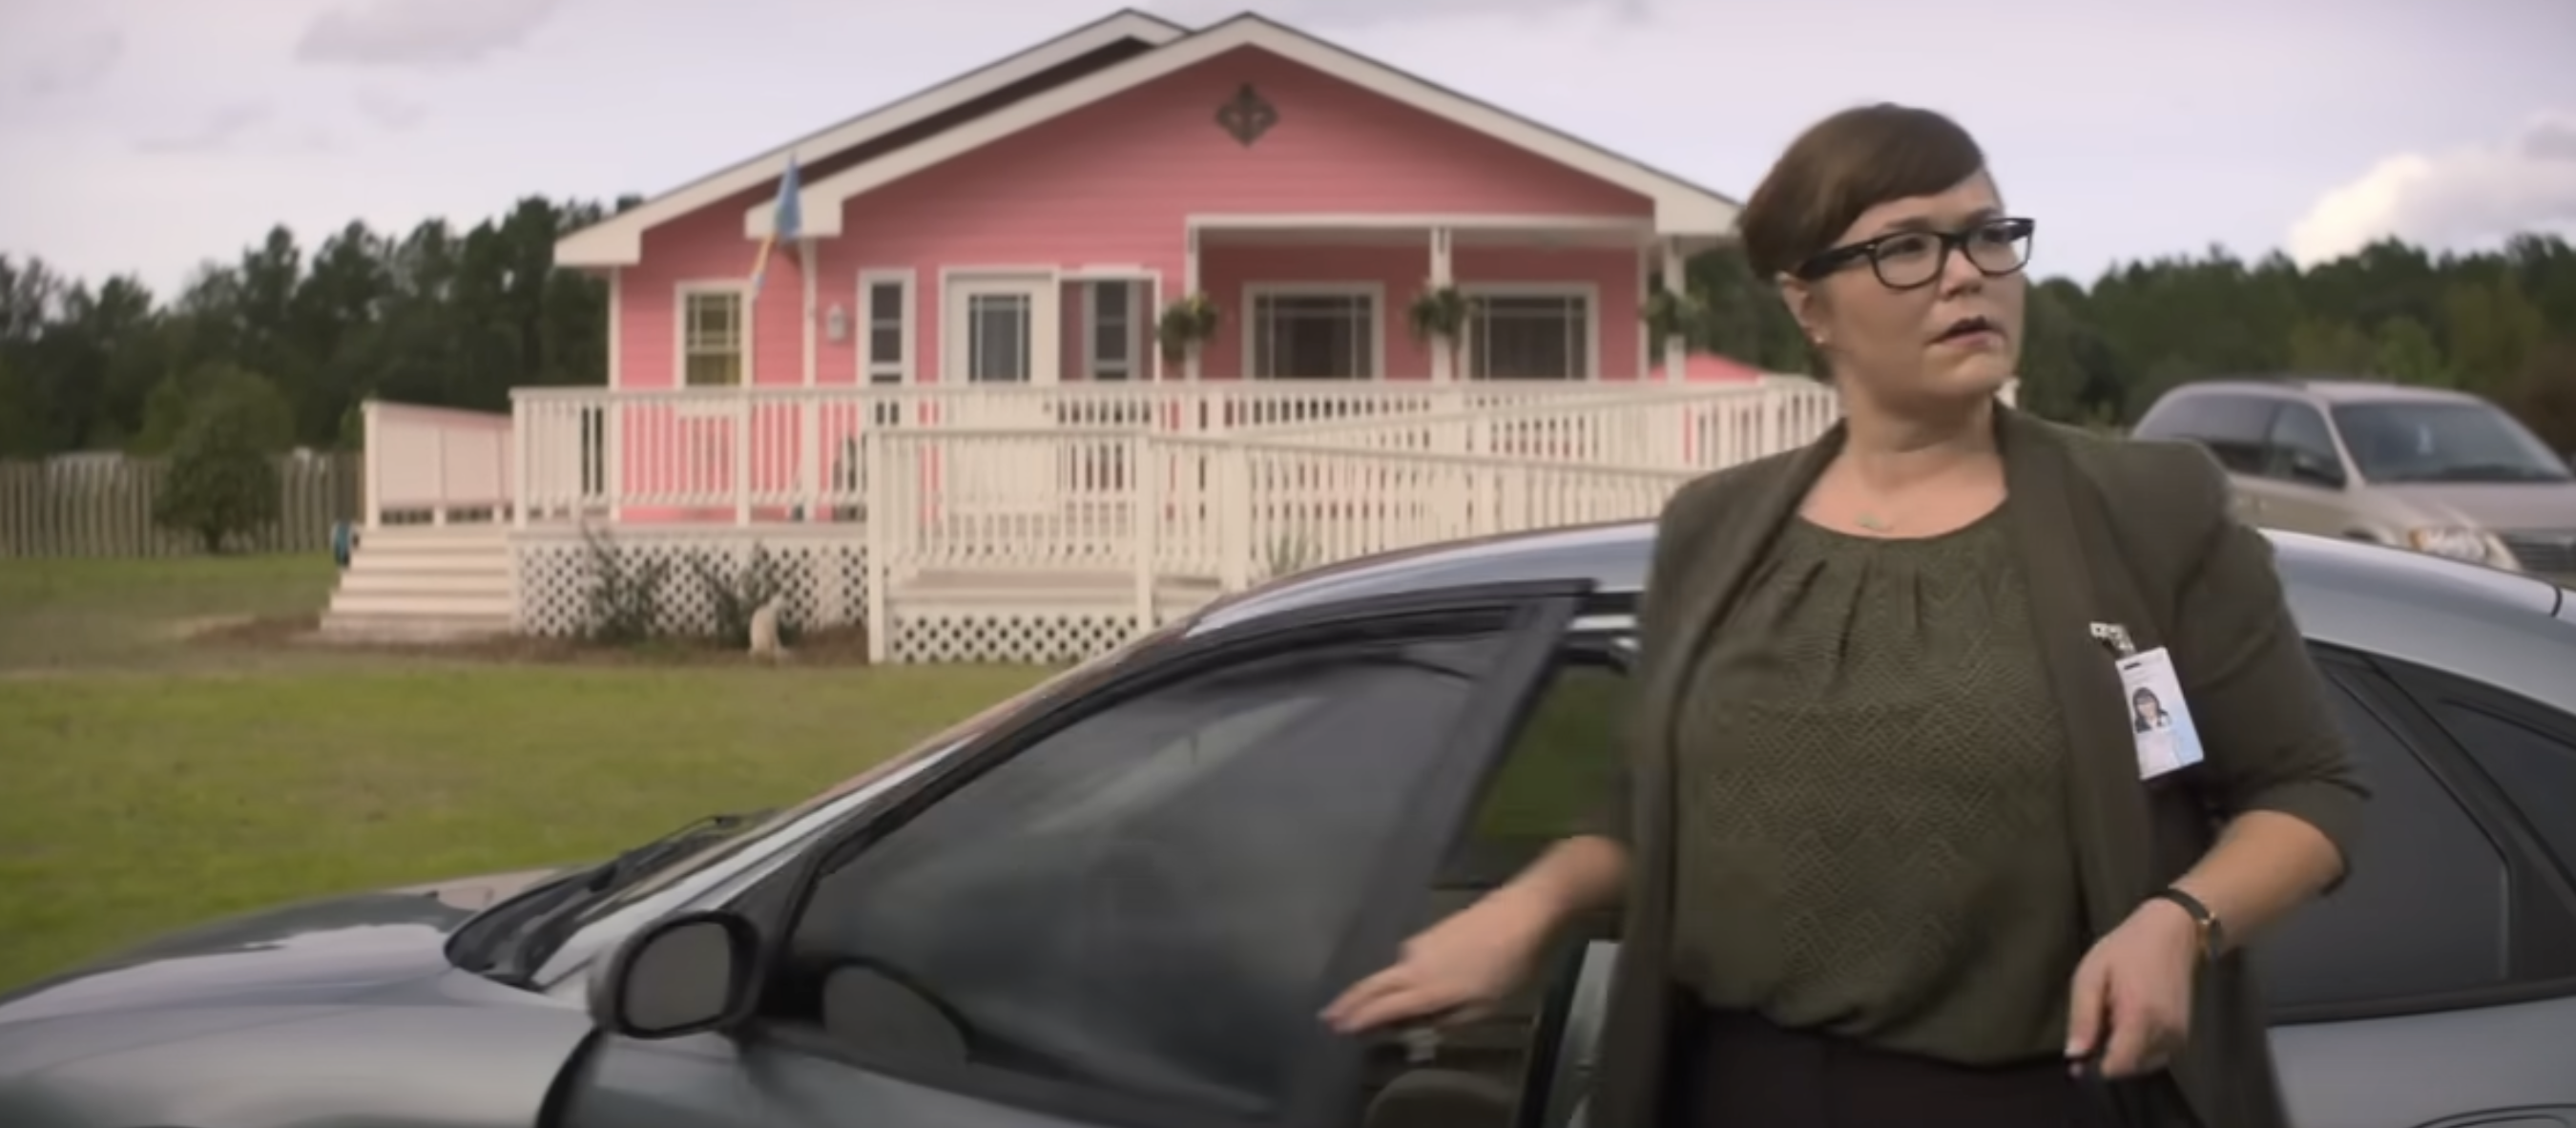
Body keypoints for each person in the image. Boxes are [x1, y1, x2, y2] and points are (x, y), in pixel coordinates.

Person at [1322, 104, 2368, 1128]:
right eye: (1906, 248)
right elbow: (1651, 813)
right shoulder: (1717, 529)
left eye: (1988, 236)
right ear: (1809, 305)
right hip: (1735, 1090)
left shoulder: (2150, 510)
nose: (1967, 273)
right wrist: (1525, 910)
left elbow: (2308, 793)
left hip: (2038, 1096)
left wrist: (2178, 925)